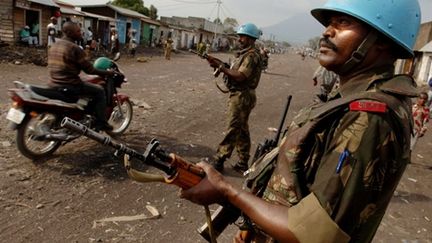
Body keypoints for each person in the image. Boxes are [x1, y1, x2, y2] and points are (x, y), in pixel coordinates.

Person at [181, 0, 420, 242]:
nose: (327, 32)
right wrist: (256, 225)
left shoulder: (368, 116)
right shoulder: (347, 101)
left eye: (344, 22)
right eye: (329, 23)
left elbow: (316, 233)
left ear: (381, 39)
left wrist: (226, 190)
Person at [208, 23, 263, 173]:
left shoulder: (251, 55)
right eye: (239, 36)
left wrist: (222, 68)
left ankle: (220, 159)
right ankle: (243, 161)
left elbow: (240, 76)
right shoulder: (244, 54)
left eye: (243, 36)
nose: (239, 39)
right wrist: (219, 64)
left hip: (242, 96)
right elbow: (234, 70)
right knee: (241, 128)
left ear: (251, 38)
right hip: (241, 94)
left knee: (233, 127)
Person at [48, 22, 116, 131]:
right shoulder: (74, 48)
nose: (81, 33)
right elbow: (90, 70)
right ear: (70, 33)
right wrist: (109, 73)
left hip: (53, 83)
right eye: (78, 31)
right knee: (99, 91)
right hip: (70, 84)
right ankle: (101, 123)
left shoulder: (54, 45)